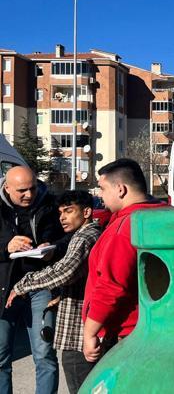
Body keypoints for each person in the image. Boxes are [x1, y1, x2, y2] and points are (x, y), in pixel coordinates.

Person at [6, 191, 101, 393]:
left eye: (68, 211)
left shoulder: (84, 237)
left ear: (86, 212)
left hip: (78, 333)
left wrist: (24, 283)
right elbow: (83, 278)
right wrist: (61, 297)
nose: (62, 218)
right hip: (78, 326)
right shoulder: (85, 234)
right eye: (60, 213)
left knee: (80, 384)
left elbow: (65, 271)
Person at [82, 159, 163, 363]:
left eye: (102, 188)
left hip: (127, 334)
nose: (100, 195)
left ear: (120, 189)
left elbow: (111, 285)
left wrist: (90, 332)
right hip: (156, 327)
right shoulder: (161, 214)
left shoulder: (125, 227)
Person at [0, 166, 65, 394]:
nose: (29, 194)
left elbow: (67, 237)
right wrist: (5, 247)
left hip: (40, 288)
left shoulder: (50, 204)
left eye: (33, 188)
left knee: (44, 355)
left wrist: (51, 248)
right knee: (0, 358)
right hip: (4, 291)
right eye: (21, 191)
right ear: (6, 188)